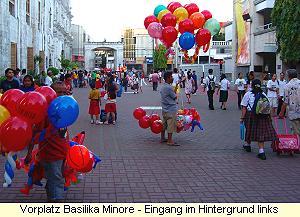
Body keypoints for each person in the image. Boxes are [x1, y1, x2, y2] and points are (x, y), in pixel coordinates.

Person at [24, 81, 69, 202]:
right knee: (56, 178)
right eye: (59, 92)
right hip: (50, 154)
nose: (63, 94)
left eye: (65, 92)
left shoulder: (63, 109)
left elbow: (64, 132)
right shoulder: (44, 112)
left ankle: (52, 197)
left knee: (55, 177)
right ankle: (55, 201)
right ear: (51, 93)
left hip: (62, 151)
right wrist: (29, 153)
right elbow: (34, 134)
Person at [240, 79, 277, 160]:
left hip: (250, 115)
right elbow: (268, 107)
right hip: (263, 116)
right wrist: (270, 117)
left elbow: (244, 108)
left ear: (252, 85)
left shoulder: (248, 94)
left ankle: (249, 146)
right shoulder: (263, 94)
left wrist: (242, 118)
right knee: (260, 132)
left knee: (249, 129)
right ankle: (260, 151)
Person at [279, 69, 300, 138]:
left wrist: (281, 113)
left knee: (296, 132)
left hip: (294, 113)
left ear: (289, 76)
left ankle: (298, 147)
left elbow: (285, 102)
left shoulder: (287, 86)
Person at [160, 71, 179, 146]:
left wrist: (176, 87)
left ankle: (162, 138)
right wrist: (175, 92)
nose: (172, 78)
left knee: (164, 124)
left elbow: (170, 94)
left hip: (165, 108)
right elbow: (174, 97)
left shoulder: (163, 86)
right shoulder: (169, 87)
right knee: (171, 125)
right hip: (171, 109)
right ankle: (170, 140)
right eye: (171, 77)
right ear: (168, 78)